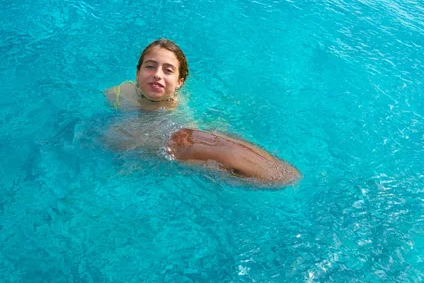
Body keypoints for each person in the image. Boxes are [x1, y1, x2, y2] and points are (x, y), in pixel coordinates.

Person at [104, 38, 300, 186]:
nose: (157, 74)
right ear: (137, 73)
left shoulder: (177, 112)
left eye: (168, 70)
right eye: (150, 67)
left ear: (180, 82)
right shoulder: (117, 93)